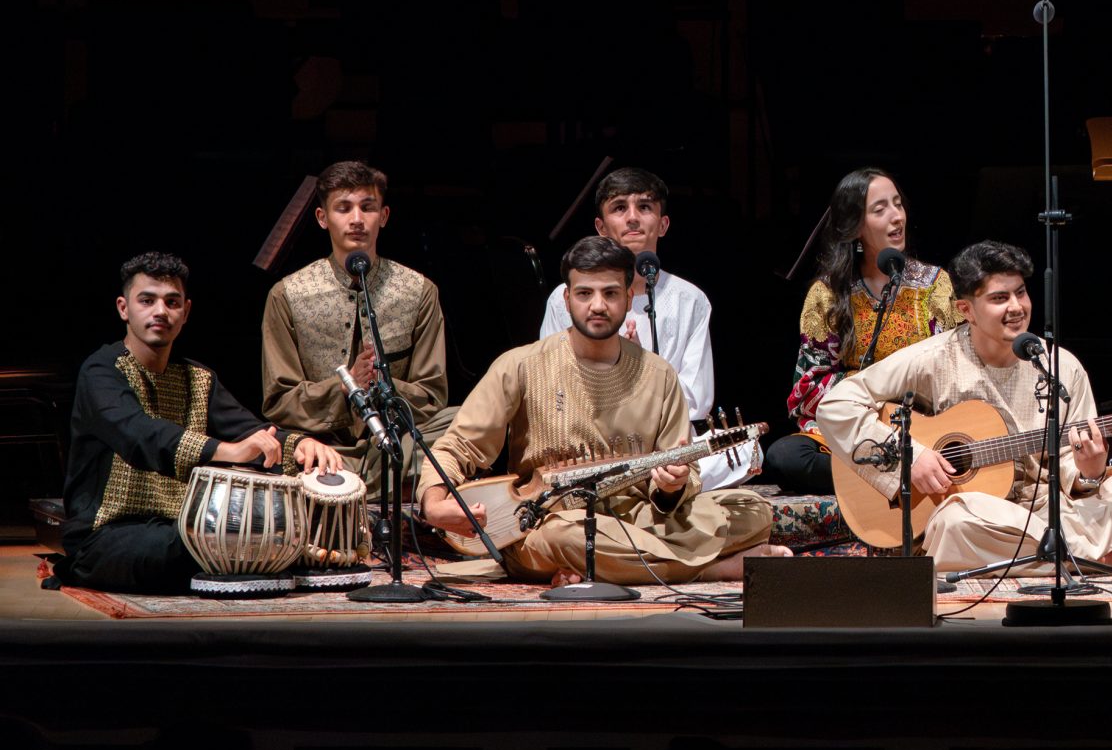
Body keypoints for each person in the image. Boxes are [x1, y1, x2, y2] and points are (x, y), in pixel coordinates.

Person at [422, 238, 781, 585]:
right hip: (552, 520)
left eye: (610, 293)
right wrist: (435, 502)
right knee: (568, 539)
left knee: (752, 510)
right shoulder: (521, 365)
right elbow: (456, 447)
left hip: (642, 519)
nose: (597, 305)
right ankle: (710, 569)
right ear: (566, 298)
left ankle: (610, 566)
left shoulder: (659, 375)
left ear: (628, 298)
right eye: (584, 293)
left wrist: (674, 485)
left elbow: (680, 474)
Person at [815, 240, 1112, 572]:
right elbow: (835, 406)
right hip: (983, 514)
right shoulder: (933, 359)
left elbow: (1078, 480)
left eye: (1021, 293)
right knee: (954, 523)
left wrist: (1090, 472)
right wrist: (909, 455)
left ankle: (1060, 554)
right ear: (966, 309)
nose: (1016, 308)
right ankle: (1096, 559)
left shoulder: (1060, 366)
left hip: (1051, 509)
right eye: (999, 298)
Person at [60, 252, 344, 593]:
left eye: (172, 302)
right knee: (194, 549)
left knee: (247, 539)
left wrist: (300, 446)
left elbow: (250, 430)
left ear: (186, 312)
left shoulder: (198, 378)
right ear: (124, 308)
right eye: (147, 301)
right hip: (107, 534)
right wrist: (230, 452)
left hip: (184, 527)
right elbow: (141, 436)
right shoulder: (102, 371)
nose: (160, 312)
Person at [537, 167, 757, 490]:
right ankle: (641, 486)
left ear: (663, 224)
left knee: (746, 449)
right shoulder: (567, 298)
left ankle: (651, 484)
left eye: (644, 207)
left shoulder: (690, 300)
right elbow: (548, 386)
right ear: (600, 227)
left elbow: (697, 399)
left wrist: (643, 371)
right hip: (593, 447)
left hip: (669, 448)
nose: (632, 218)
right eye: (619, 208)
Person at [259, 161, 453, 493]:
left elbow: (433, 396)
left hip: (397, 439)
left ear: (385, 216)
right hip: (324, 445)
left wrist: (385, 385)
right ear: (323, 218)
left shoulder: (418, 291)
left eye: (368, 207)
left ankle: (359, 483)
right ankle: (370, 481)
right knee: (273, 443)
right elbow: (279, 402)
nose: (357, 219)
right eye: (344, 208)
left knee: (462, 420)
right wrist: (345, 386)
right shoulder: (288, 295)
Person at [769, 167, 956, 494]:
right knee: (786, 455)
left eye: (898, 204)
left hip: (918, 425)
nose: (896, 216)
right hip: (855, 428)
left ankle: (883, 480)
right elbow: (808, 388)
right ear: (855, 227)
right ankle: (892, 482)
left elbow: (954, 369)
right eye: (880, 209)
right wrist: (870, 400)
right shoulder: (828, 294)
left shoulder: (934, 286)